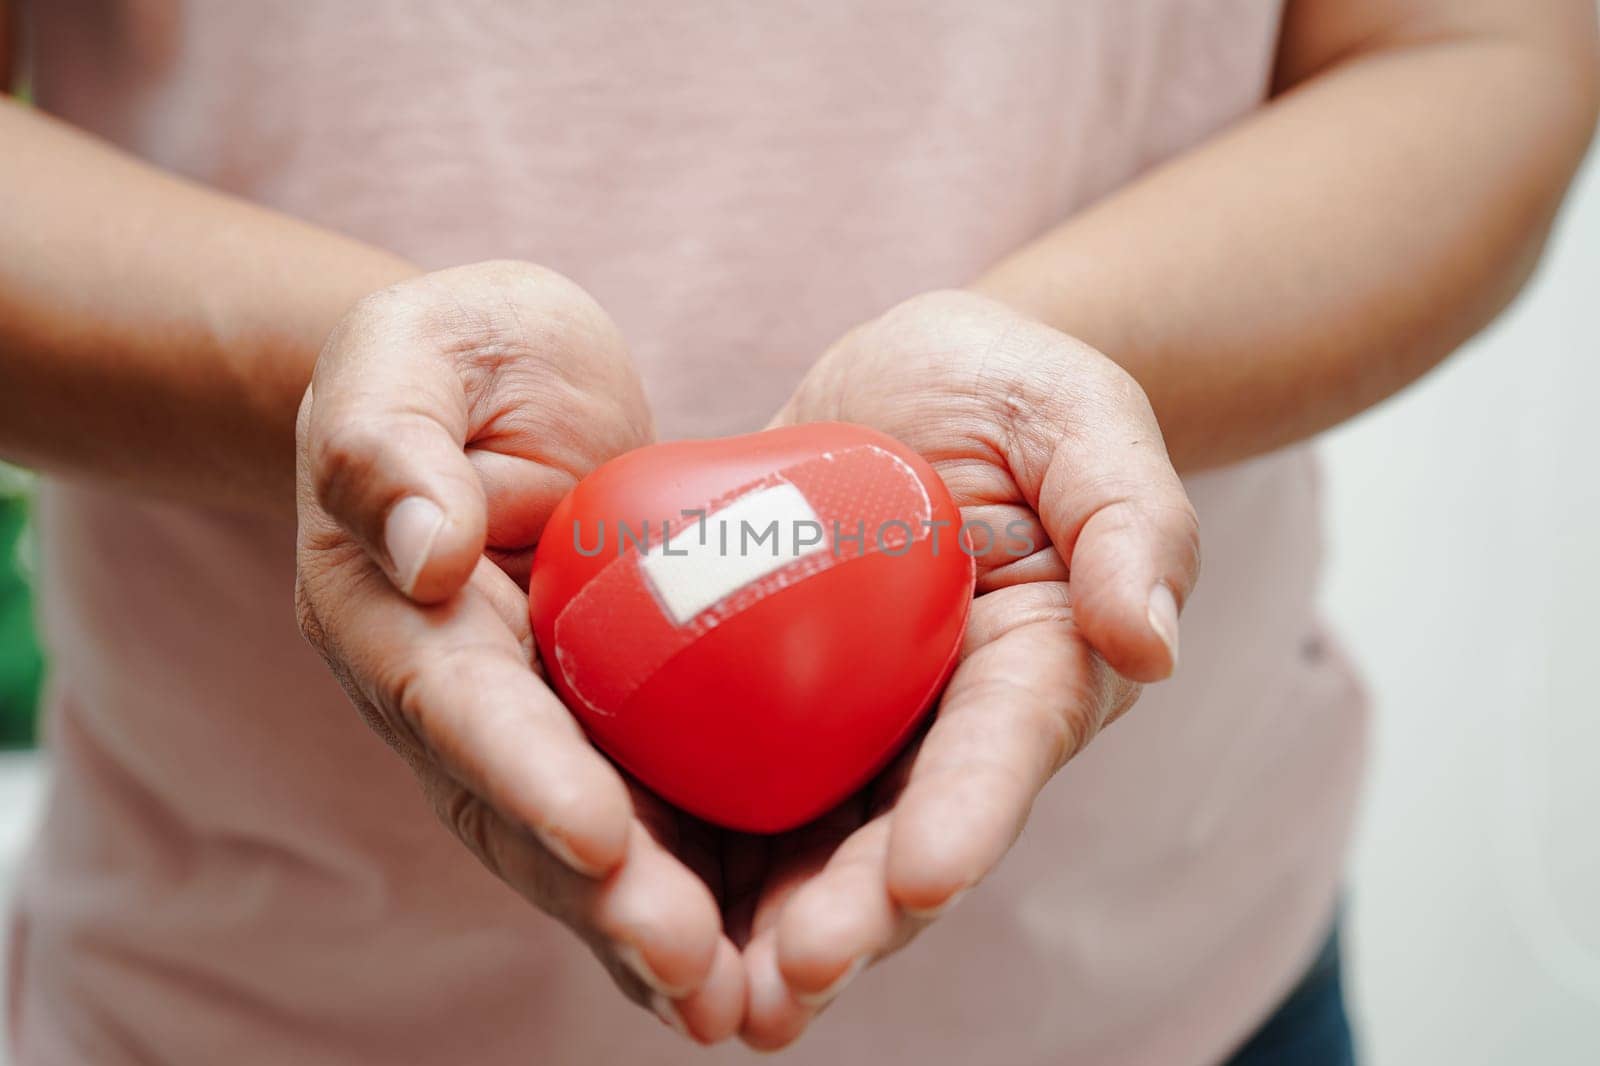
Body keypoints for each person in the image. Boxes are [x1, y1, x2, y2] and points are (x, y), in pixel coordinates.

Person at [1, 1, 1594, 1063]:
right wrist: (338, 391)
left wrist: (1059, 369)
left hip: (1175, 993)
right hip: (237, 1011)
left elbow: (1478, 48)